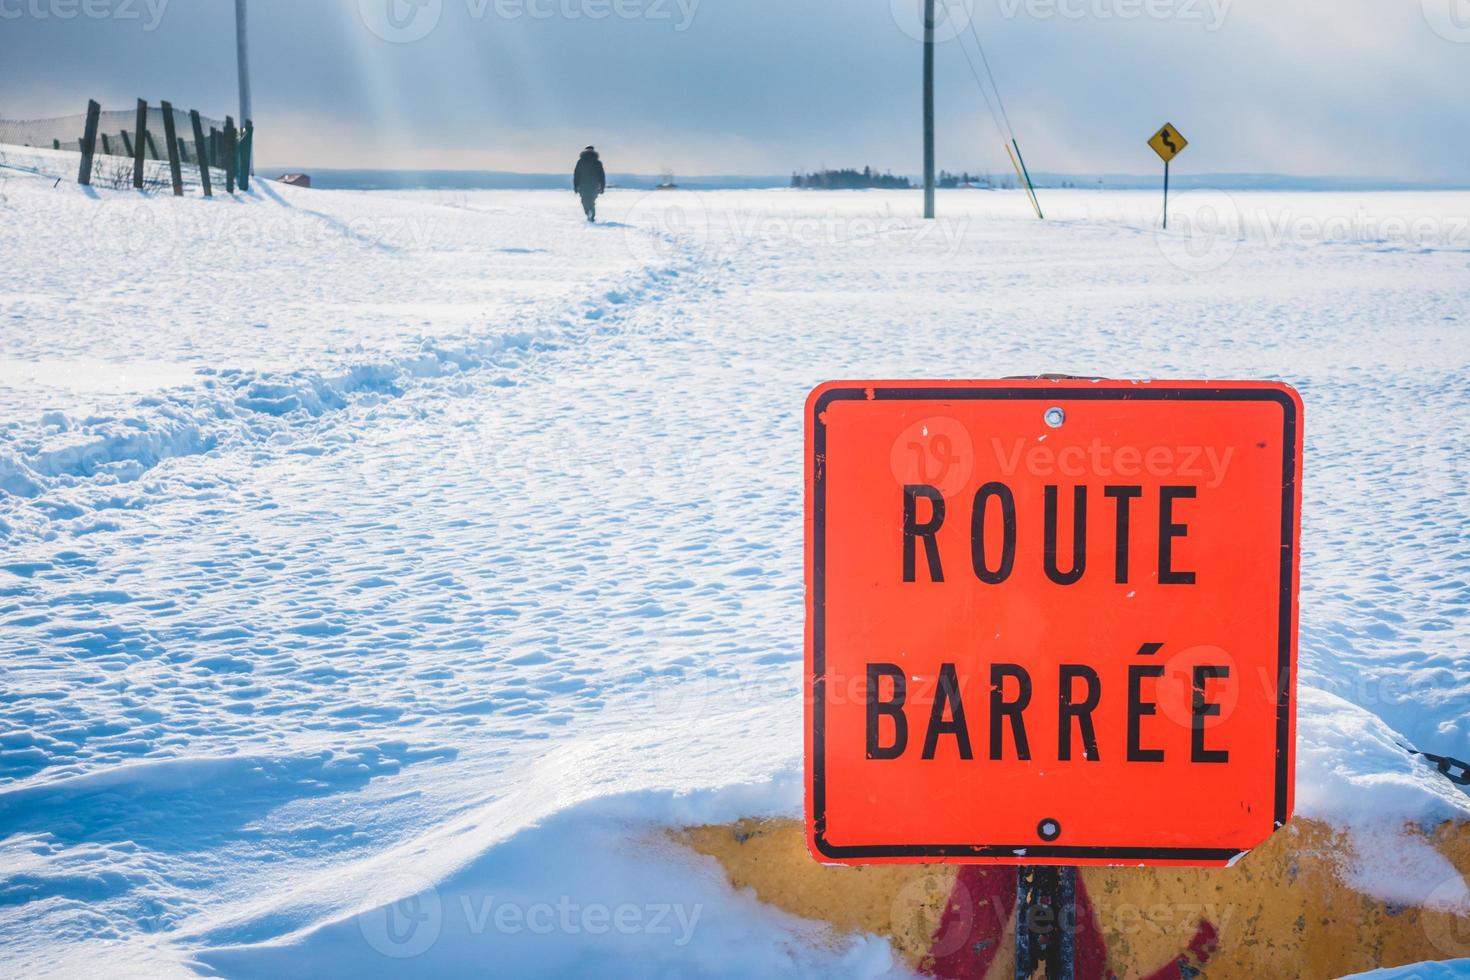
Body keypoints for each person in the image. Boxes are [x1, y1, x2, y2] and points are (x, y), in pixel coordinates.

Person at [573, 146, 606, 223]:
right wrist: (602, 187)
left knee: (585, 200)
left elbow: (576, 175)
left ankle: (588, 212)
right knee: (591, 200)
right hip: (594, 186)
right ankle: (591, 214)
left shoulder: (580, 162)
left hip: (583, 185)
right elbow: (601, 176)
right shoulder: (597, 163)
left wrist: (575, 186)